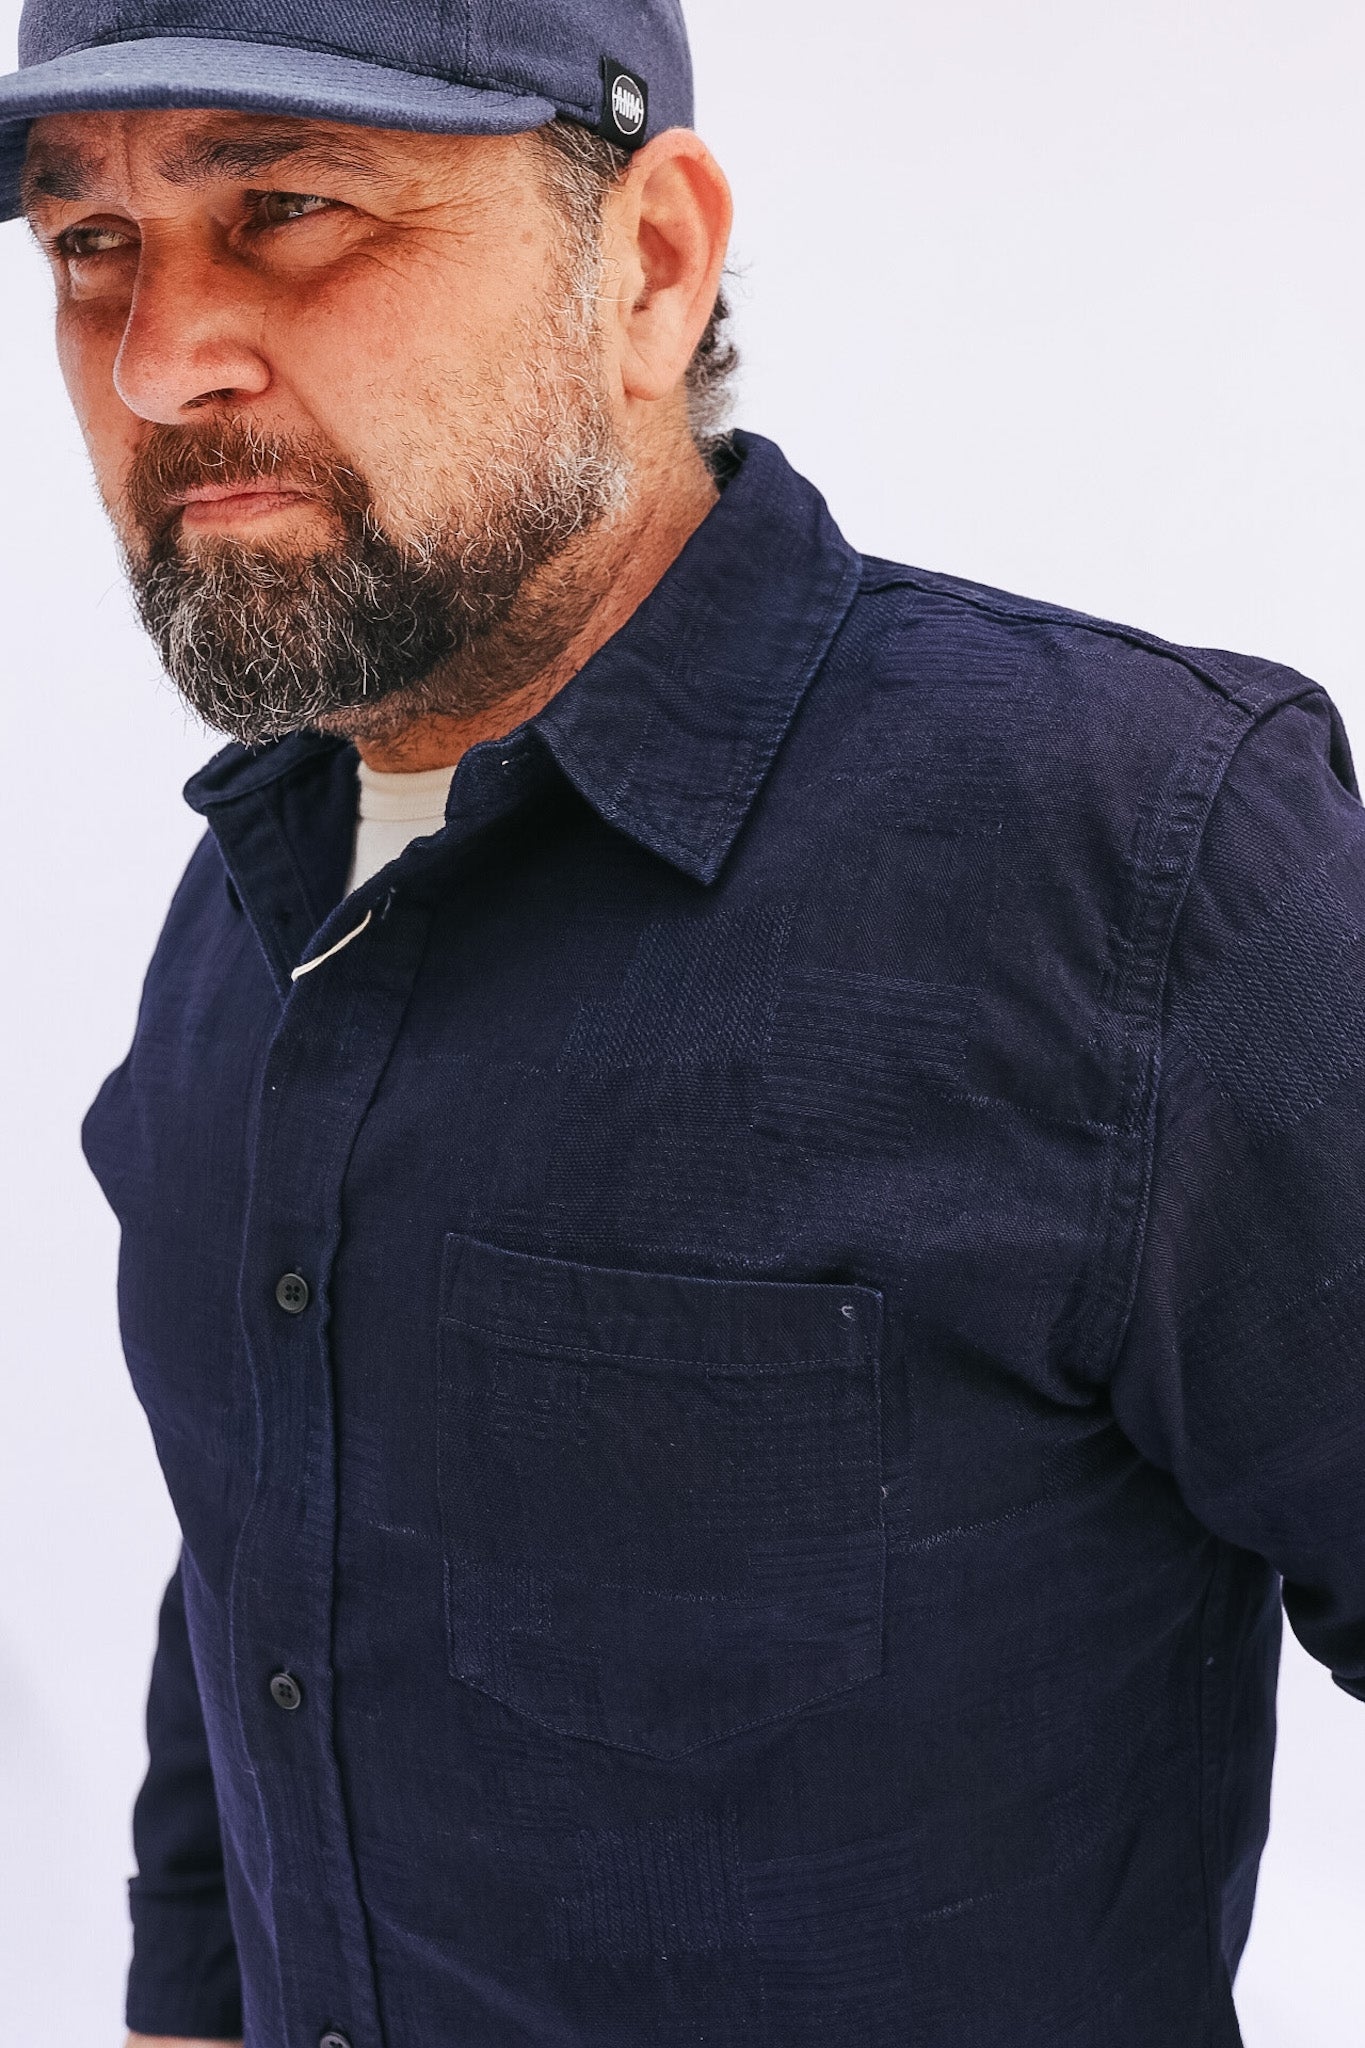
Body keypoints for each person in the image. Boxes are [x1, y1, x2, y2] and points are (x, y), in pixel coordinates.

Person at [3, 0, 1363, 2042]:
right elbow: (264, 1575)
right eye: (86, 245)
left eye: (283, 208)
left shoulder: (1139, 860)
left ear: (645, 264)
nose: (154, 355)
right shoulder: (250, 899)